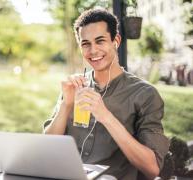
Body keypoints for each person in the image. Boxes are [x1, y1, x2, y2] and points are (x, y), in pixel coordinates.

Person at [43, 8, 169, 180]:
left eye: (100, 41)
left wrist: (106, 116)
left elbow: (152, 168)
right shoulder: (75, 86)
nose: (93, 50)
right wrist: (66, 105)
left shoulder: (145, 94)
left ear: (115, 41)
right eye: (85, 44)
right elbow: (46, 149)